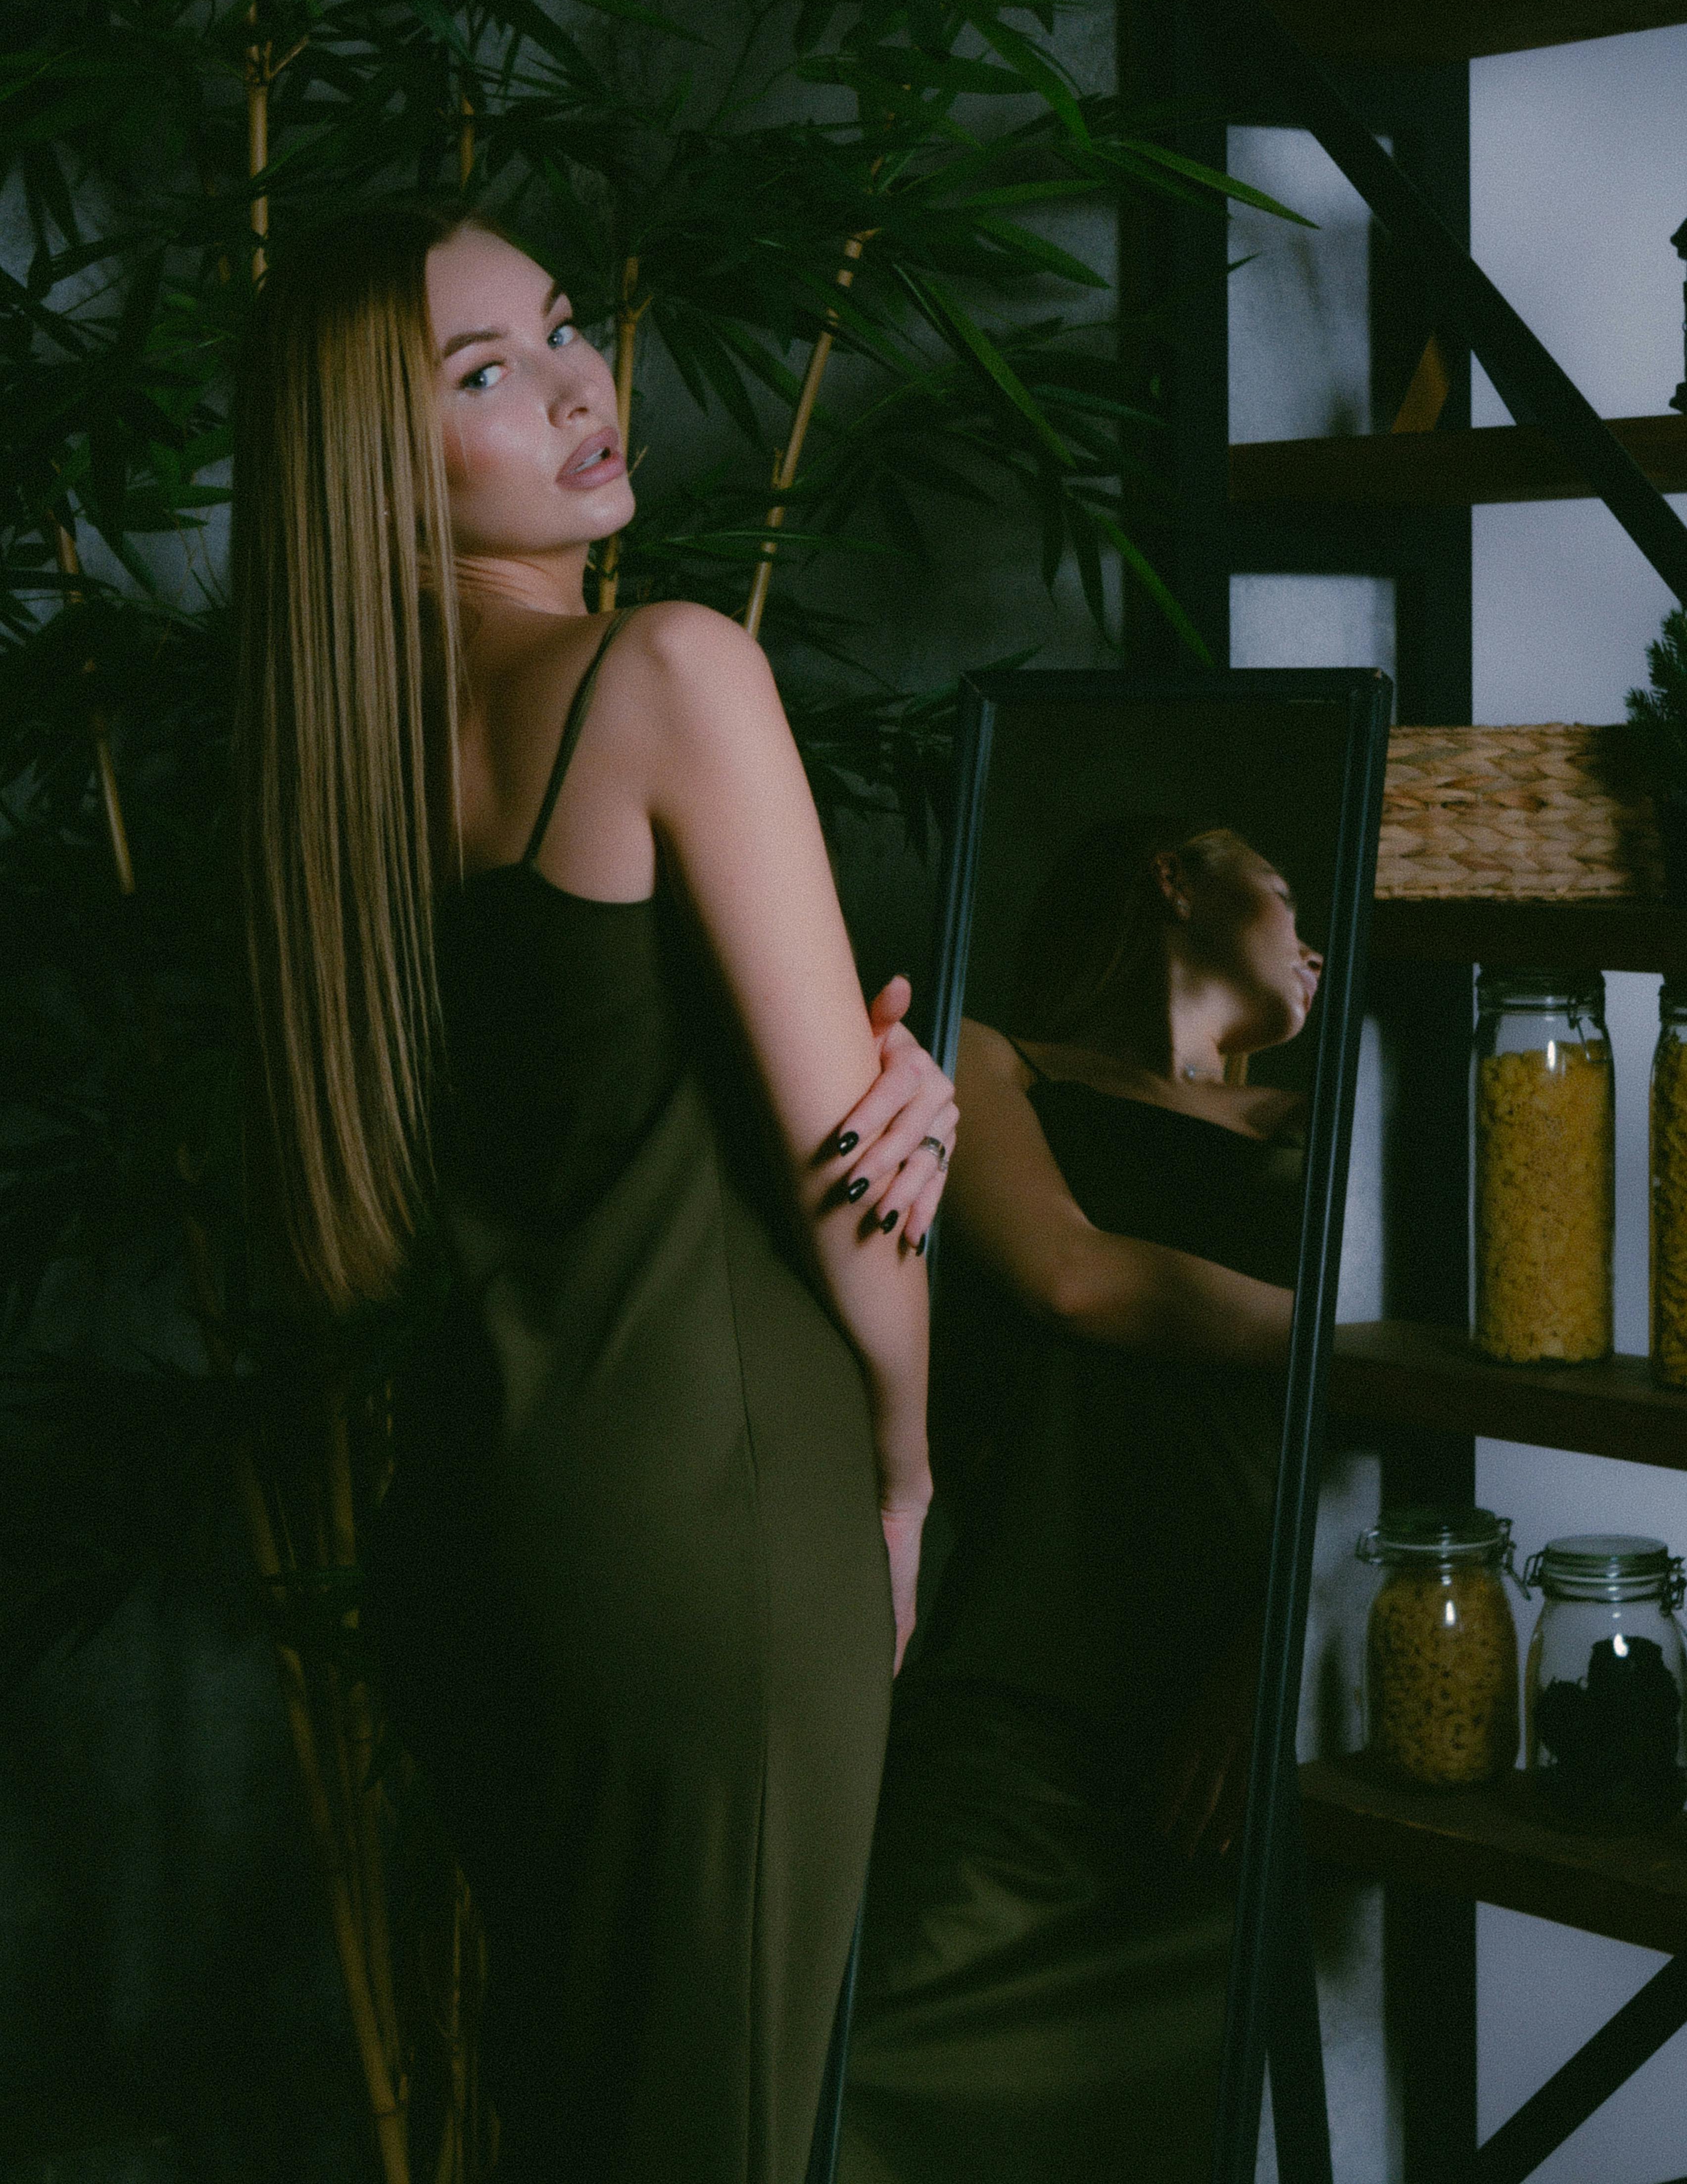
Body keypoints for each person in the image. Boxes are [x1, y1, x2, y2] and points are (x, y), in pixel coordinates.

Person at [230, 206, 958, 2184]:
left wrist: (880, 1090)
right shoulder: (668, 673)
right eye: (482, 374)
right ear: (384, 465)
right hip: (704, 1542)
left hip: (472, 1541)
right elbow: (851, 1187)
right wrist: (900, 1470)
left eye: (558, 331)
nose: (573, 384)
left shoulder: (333, 769)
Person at [839, 820, 1322, 2184]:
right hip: (1022, 1673)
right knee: (865, 2073)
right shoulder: (995, 1060)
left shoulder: (1328, 1120)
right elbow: (1066, 1274)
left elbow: (1384, 1449)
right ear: (1174, 871)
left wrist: (1279, 1642)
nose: (1315, 938)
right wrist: (1356, 1344)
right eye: (1280, 886)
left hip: (1240, 1682)